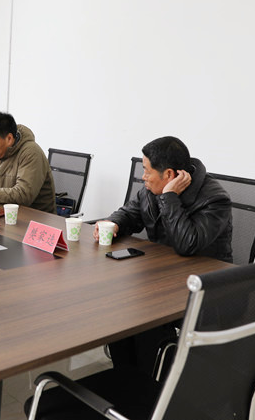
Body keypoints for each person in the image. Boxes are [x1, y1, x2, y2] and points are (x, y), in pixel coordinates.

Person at [94, 136, 232, 376]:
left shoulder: (215, 199)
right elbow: (130, 212)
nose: (143, 177)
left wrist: (169, 197)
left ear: (168, 175)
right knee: (119, 305)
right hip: (161, 276)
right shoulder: (151, 190)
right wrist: (114, 223)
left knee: (140, 314)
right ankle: (125, 377)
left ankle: (149, 384)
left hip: (202, 286)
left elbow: (187, 244)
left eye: (147, 171)